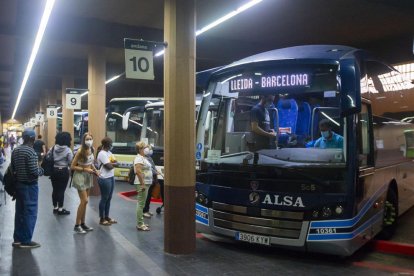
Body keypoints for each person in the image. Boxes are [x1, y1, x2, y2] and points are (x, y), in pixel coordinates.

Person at [11, 128, 44, 248]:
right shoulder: (31, 152)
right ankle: (26, 240)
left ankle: (17, 239)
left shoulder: (16, 150)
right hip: (30, 187)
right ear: (32, 138)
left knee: (19, 212)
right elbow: (34, 172)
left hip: (19, 185)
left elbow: (13, 169)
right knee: (30, 212)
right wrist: (41, 170)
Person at [70, 133, 98, 234]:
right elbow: (72, 166)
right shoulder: (80, 151)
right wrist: (85, 169)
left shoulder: (92, 149)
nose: (89, 141)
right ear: (83, 140)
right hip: (80, 176)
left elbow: (91, 163)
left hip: (88, 176)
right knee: (84, 200)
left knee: (85, 202)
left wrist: (95, 170)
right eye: (87, 139)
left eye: (91, 139)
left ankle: (83, 223)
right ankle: (77, 225)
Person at [49, 132, 73, 215]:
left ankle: (55, 207)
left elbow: (48, 156)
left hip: (54, 171)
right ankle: (60, 209)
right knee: (61, 190)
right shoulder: (68, 150)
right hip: (63, 171)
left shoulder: (52, 148)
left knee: (55, 189)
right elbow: (71, 161)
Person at [96, 137, 118, 226]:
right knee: (104, 198)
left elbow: (116, 162)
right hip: (104, 178)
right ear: (107, 145)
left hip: (111, 177)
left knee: (109, 198)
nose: (112, 146)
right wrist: (113, 164)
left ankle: (107, 216)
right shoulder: (102, 154)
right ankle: (102, 218)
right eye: (111, 144)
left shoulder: (109, 153)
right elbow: (109, 166)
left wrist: (112, 164)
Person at [134, 141, 153, 231]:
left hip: (145, 182)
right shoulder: (139, 158)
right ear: (140, 149)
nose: (147, 149)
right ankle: (140, 224)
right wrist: (142, 184)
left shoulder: (143, 158)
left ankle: (141, 222)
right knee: (141, 204)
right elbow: (138, 171)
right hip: (142, 183)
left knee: (142, 203)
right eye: (145, 147)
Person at [142, 145, 163, 218]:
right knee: (146, 196)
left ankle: (147, 209)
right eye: (150, 149)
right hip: (147, 179)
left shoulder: (149, 158)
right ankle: (144, 211)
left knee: (149, 195)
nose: (151, 150)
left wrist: (156, 172)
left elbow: (153, 167)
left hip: (152, 179)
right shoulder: (144, 159)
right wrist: (155, 172)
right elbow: (149, 169)